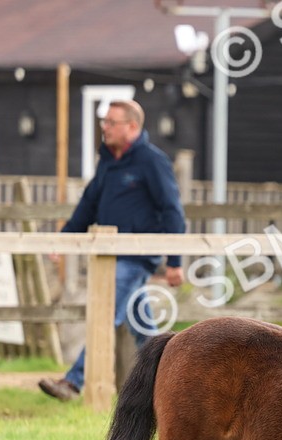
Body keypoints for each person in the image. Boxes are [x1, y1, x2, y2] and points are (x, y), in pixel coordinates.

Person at [39, 99, 186, 401]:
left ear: (131, 127)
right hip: (110, 257)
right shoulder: (108, 162)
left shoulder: (151, 161)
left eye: (110, 122)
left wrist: (175, 261)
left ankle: (73, 382)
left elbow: (172, 210)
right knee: (144, 329)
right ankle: (175, 383)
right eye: (103, 122)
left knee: (104, 314)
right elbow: (88, 206)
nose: (104, 128)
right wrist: (64, 241)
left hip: (136, 258)